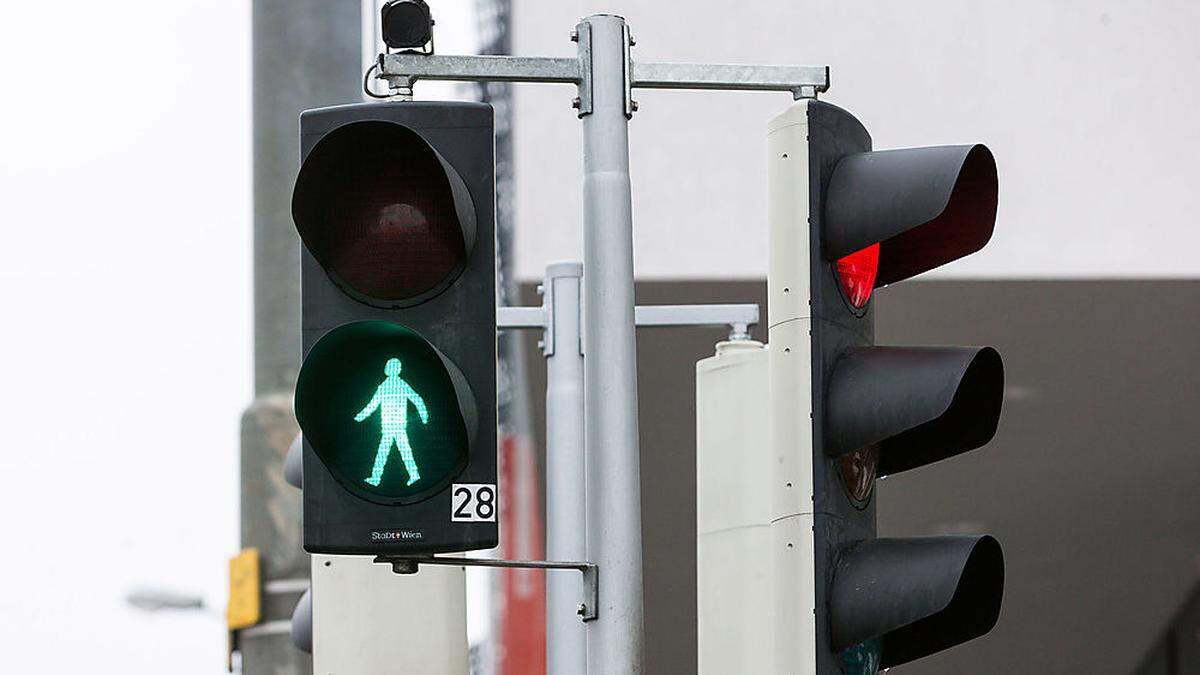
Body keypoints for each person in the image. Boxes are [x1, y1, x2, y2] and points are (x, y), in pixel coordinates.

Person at [353, 357, 429, 487]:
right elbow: (373, 404)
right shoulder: (390, 386)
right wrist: (423, 416)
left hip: (394, 426)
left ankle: (378, 478)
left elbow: (372, 405)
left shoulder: (393, 385)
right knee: (397, 451)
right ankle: (411, 475)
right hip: (393, 426)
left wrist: (424, 415)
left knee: (390, 451)